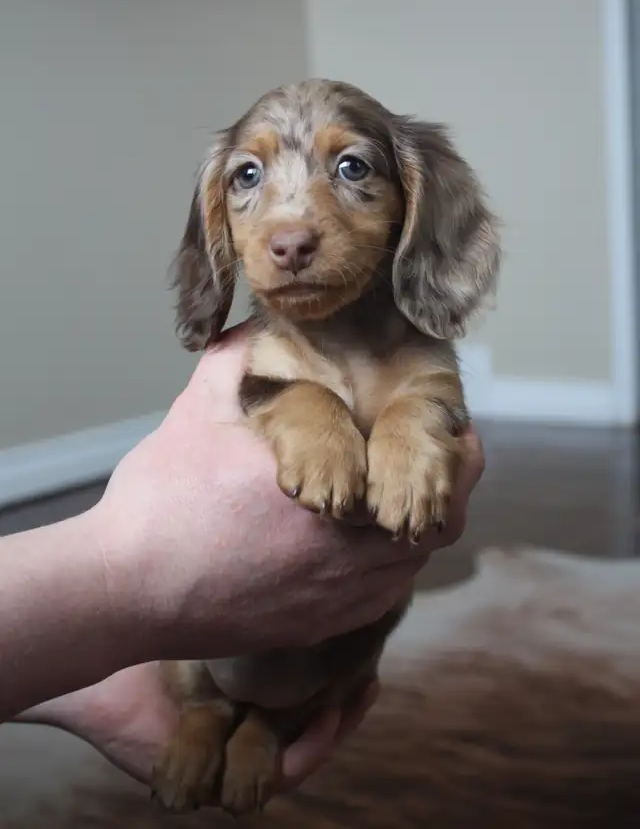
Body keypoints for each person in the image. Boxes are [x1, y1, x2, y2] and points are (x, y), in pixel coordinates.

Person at [3, 325, 484, 796]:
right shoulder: (265, 351)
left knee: (361, 620)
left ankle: (269, 723)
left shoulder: (413, 348)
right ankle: (204, 710)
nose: (289, 242)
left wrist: (414, 424)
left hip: (320, 664)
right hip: (202, 657)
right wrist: (129, 579)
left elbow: (437, 398)